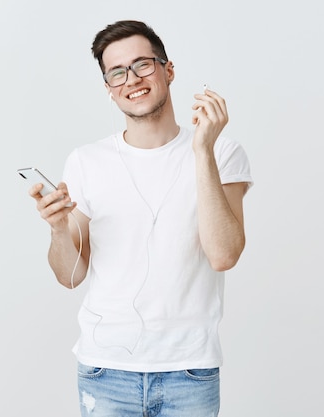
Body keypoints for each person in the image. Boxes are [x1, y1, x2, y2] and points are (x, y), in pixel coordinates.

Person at [28, 20, 253, 416]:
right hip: (105, 371)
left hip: (190, 370)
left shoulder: (222, 152)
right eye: (117, 71)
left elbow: (223, 256)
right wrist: (59, 229)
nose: (131, 79)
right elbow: (70, 276)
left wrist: (202, 150)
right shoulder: (86, 161)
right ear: (108, 88)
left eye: (142, 65)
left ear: (168, 69)